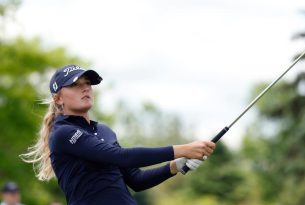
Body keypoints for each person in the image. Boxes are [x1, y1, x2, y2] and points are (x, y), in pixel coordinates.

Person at [21, 65, 216, 205]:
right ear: (58, 98)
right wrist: (183, 149)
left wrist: (175, 166)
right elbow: (121, 156)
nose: (85, 88)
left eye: (88, 83)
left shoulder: (105, 131)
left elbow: (136, 180)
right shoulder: (63, 133)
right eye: (75, 85)